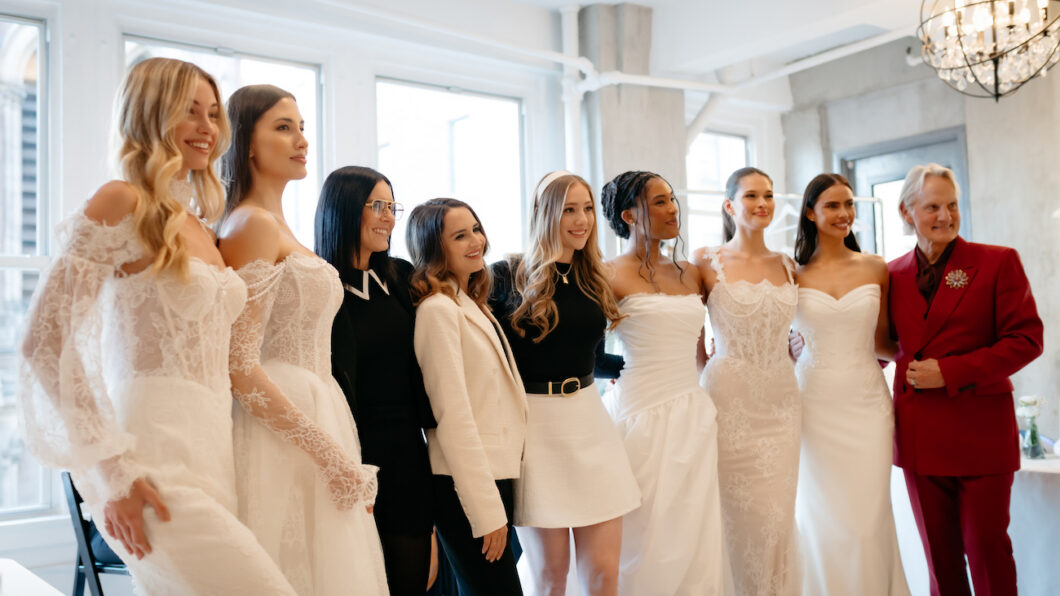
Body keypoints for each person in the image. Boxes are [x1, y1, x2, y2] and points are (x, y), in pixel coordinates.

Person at [19, 57, 296, 594]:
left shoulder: (197, 225)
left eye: (214, 114)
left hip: (213, 454)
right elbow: (44, 342)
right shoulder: (121, 202)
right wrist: (111, 474)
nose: (208, 128)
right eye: (189, 111)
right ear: (148, 114)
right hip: (148, 460)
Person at [218, 85, 388, 595]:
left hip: (318, 406)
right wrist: (329, 455)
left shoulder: (277, 225)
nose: (301, 141)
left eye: (302, 128)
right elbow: (239, 365)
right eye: (283, 127)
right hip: (282, 428)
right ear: (247, 141)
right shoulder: (250, 224)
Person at [888, 163, 1043, 596]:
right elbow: (883, 342)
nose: (946, 216)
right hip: (919, 435)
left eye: (952, 205)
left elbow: (1027, 340)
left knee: (987, 551)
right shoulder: (891, 274)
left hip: (981, 436)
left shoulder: (996, 263)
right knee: (940, 560)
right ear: (906, 212)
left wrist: (950, 372)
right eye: (932, 206)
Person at [489, 171, 640, 596]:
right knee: (550, 576)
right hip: (536, 431)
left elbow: (589, 351)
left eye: (588, 208)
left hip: (591, 421)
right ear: (544, 212)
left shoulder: (594, 276)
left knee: (603, 575)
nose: (582, 220)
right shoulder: (507, 275)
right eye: (569, 209)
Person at [600, 171, 727, 595]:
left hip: (692, 412)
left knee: (693, 531)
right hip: (637, 414)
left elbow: (721, 333)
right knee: (643, 532)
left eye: (673, 199)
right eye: (659, 202)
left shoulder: (693, 274)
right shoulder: (608, 274)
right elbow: (581, 347)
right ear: (629, 215)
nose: (673, 208)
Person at [315, 166, 436, 595]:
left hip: (407, 454)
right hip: (350, 451)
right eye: (378, 206)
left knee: (411, 583)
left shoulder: (399, 277)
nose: (388, 218)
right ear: (346, 209)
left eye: (392, 206)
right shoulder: (319, 285)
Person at [790, 173, 910, 595]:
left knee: (868, 516)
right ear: (811, 212)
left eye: (849, 205)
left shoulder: (876, 267)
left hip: (866, 406)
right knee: (821, 517)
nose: (844, 214)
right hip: (813, 406)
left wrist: (935, 365)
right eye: (833, 206)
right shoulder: (793, 274)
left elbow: (882, 341)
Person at [408, 198, 528, 596]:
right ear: (433, 247)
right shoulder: (438, 311)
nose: (476, 241)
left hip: (494, 477)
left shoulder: (472, 304)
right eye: (460, 235)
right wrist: (486, 511)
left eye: (476, 229)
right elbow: (453, 418)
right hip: (466, 488)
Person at [693, 166, 800, 596]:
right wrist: (705, 368)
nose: (762, 204)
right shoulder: (705, 260)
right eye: (752, 196)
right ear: (729, 205)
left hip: (783, 402)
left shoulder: (790, 265)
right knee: (736, 512)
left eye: (769, 196)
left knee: (777, 513)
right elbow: (687, 325)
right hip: (729, 402)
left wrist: (799, 344)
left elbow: (816, 323)